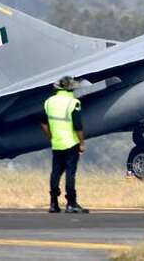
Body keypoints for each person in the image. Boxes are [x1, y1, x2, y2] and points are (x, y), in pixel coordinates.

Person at [41, 76, 89, 214]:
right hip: (71, 143)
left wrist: (51, 137)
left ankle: (53, 203)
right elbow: (78, 126)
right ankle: (71, 203)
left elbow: (43, 123)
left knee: (55, 173)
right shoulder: (73, 102)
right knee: (70, 173)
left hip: (56, 143)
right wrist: (81, 143)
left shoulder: (49, 102)